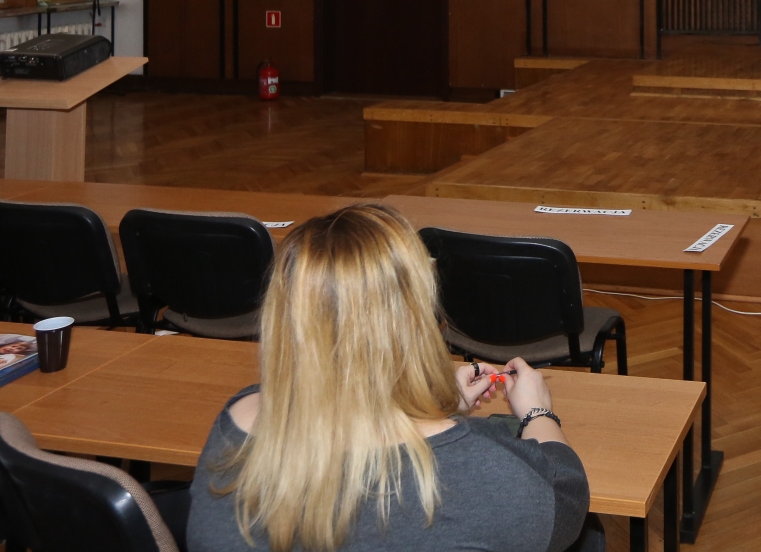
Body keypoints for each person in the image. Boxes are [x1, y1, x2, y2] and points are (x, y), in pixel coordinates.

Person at [186, 204, 592, 552]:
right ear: (414, 319)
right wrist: (538, 412)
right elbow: (567, 502)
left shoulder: (233, 427)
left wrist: (429, 406)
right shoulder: (478, 474)